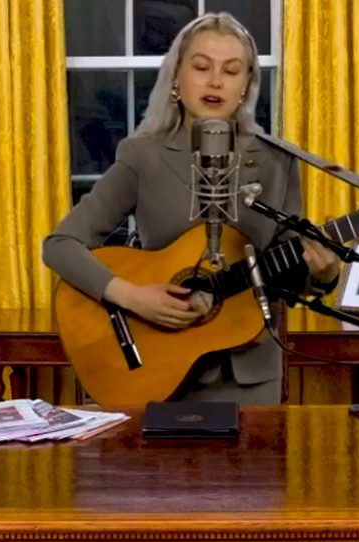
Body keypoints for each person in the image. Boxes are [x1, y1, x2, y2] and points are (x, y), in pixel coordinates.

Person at [42, 12, 340, 405]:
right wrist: (130, 296)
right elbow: (60, 245)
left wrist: (324, 274)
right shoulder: (141, 157)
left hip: (249, 377)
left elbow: (288, 272)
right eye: (202, 67)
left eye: (231, 71)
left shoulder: (276, 161)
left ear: (246, 86)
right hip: (156, 368)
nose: (215, 81)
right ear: (177, 79)